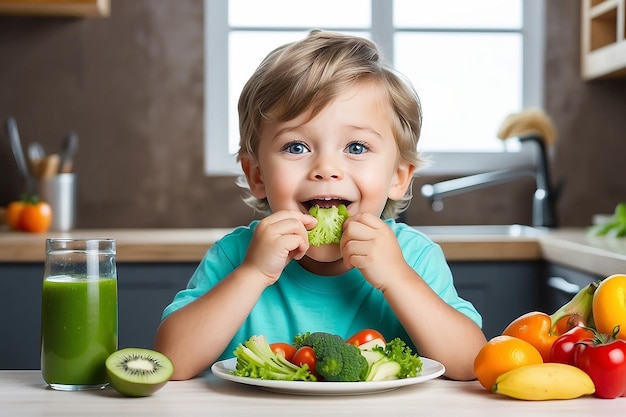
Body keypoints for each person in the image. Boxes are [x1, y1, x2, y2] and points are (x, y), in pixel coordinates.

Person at [154, 30, 487, 381]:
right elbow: (171, 362)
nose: (326, 169)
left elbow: (471, 364)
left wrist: (397, 278)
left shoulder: (414, 257)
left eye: (356, 148)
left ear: (399, 176)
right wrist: (253, 274)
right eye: (296, 147)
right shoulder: (236, 255)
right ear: (257, 175)